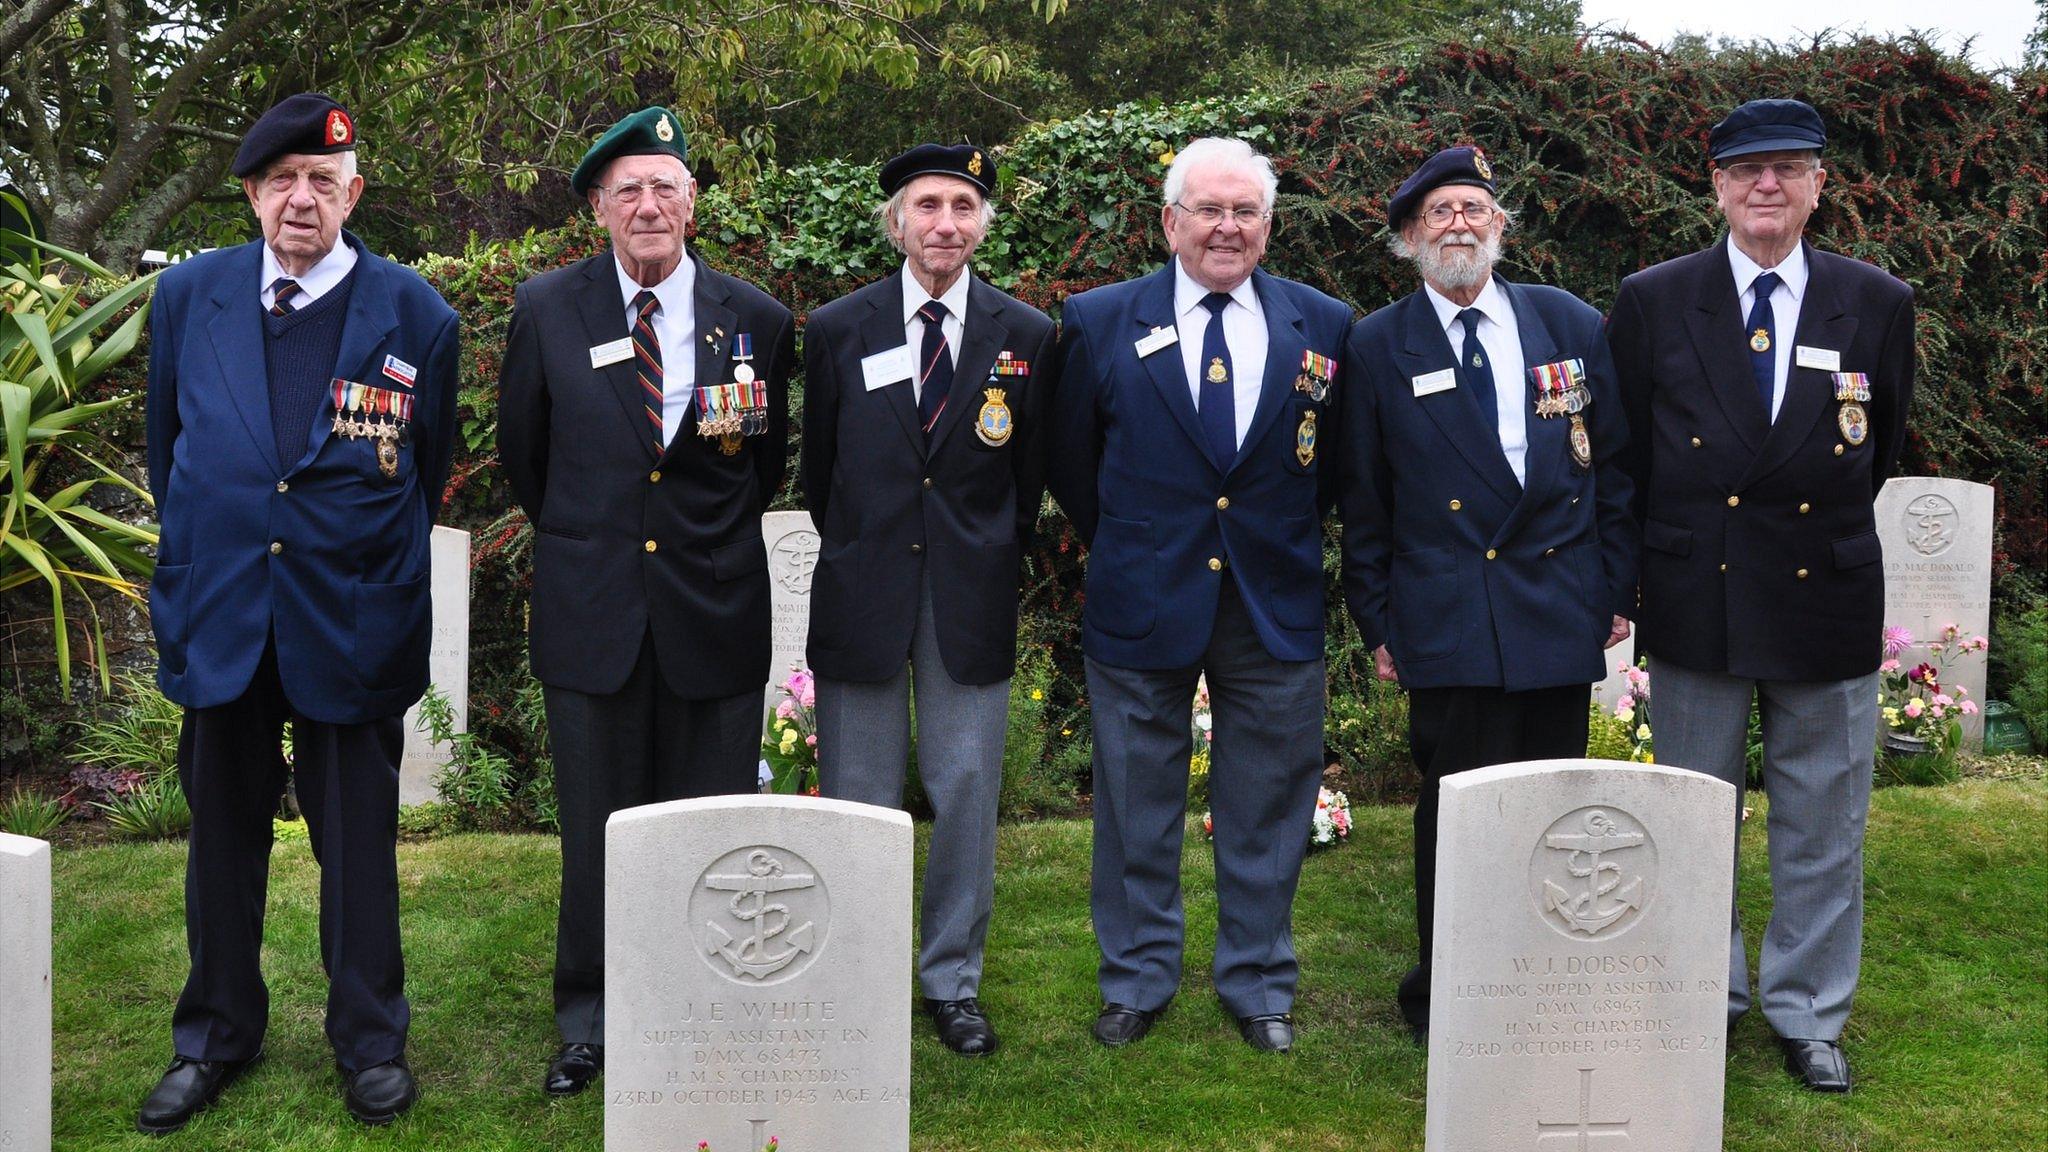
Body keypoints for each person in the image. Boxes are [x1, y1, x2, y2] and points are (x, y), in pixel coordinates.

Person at [138, 93, 458, 1130]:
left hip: (348, 617)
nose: (301, 199)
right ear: (250, 196)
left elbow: (428, 472)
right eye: (281, 181)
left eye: (323, 181)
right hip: (223, 612)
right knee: (219, 844)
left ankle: (369, 1042)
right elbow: (168, 450)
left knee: (356, 848)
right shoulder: (188, 299)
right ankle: (214, 1036)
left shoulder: (415, 314)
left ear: (353, 193)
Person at [1606, 98, 1916, 1093]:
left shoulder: (1874, 302)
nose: (1765, 187)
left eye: (1786, 168)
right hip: (1698, 590)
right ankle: (1697, 994)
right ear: (1714, 186)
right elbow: (1624, 458)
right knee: (1692, 818)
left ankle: (1806, 1009)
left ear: (1819, 184)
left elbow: (1878, 450)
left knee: (1822, 821)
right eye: (1745, 171)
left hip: (1820, 591)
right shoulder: (1654, 298)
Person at [496, 106, 795, 1096]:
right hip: (595, 617)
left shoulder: (756, 320)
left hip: (712, 612)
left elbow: (763, 465)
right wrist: (604, 544)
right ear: (597, 209)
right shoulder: (546, 309)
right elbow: (526, 464)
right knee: (597, 835)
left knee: (709, 831)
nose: (647, 204)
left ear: (693, 204)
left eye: (665, 185)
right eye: (626, 188)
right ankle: (589, 1019)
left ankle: (706, 1008)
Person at [1047, 137, 1351, 1054]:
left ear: (1268, 224)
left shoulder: (1326, 325)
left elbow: (1330, 466)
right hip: (1142, 595)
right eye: (1209, 210)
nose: (1227, 227)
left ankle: (1258, 981)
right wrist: (1134, 543)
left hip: (1273, 598)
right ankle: (1139, 977)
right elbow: (1070, 459)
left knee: (1267, 801)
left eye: (1245, 211)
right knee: (1137, 803)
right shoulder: (1099, 320)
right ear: (1170, 221)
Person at [1338, 145, 1637, 1044]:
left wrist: (1614, 589)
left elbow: (1616, 468)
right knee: (1460, 809)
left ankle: (1551, 983)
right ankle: (1449, 992)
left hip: (1556, 601)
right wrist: (1379, 620)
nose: (1459, 223)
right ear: (1408, 239)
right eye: (1438, 213)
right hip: (1447, 611)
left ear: (1501, 225)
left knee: (1553, 809)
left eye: (1474, 207)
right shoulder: (1376, 343)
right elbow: (1365, 499)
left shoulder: (1569, 323)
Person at [798, 142, 1057, 1057]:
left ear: (983, 221)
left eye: (963, 206)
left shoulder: (1027, 335)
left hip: (968, 598)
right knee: (860, 799)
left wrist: (979, 556)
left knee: (966, 789)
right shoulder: (836, 329)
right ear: (896, 221)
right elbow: (819, 475)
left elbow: (1026, 487)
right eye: (927, 206)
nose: (945, 223)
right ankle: (859, 973)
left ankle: (951, 982)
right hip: (863, 593)